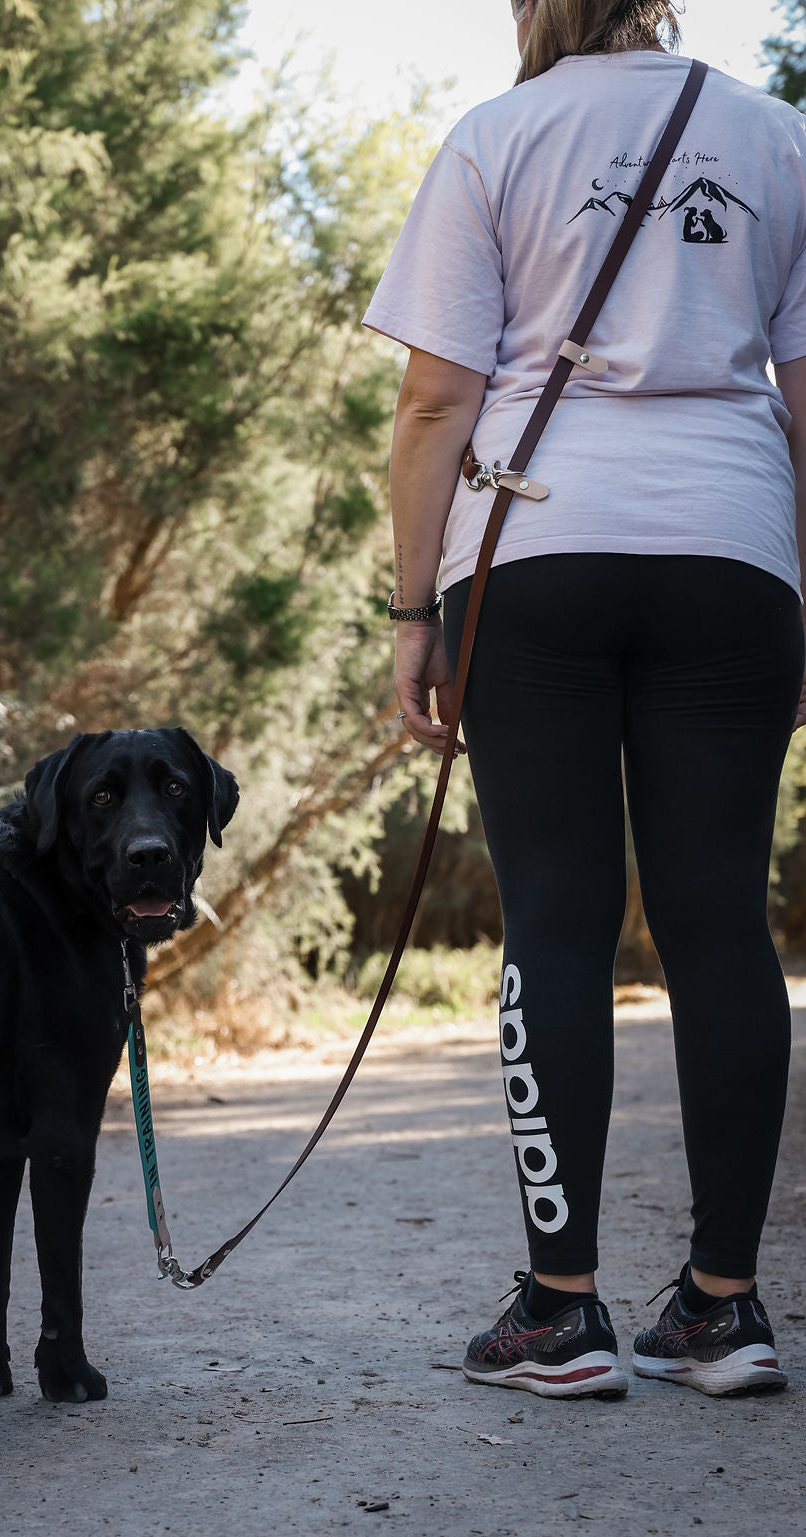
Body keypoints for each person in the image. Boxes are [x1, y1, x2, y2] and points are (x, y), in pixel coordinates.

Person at [363, 0, 806, 1399]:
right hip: (737, 558)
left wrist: (412, 610)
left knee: (556, 913)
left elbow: (437, 403)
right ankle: (724, 1309)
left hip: (541, 552)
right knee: (721, 917)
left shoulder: (500, 138)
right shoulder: (778, 135)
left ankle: (563, 1309)